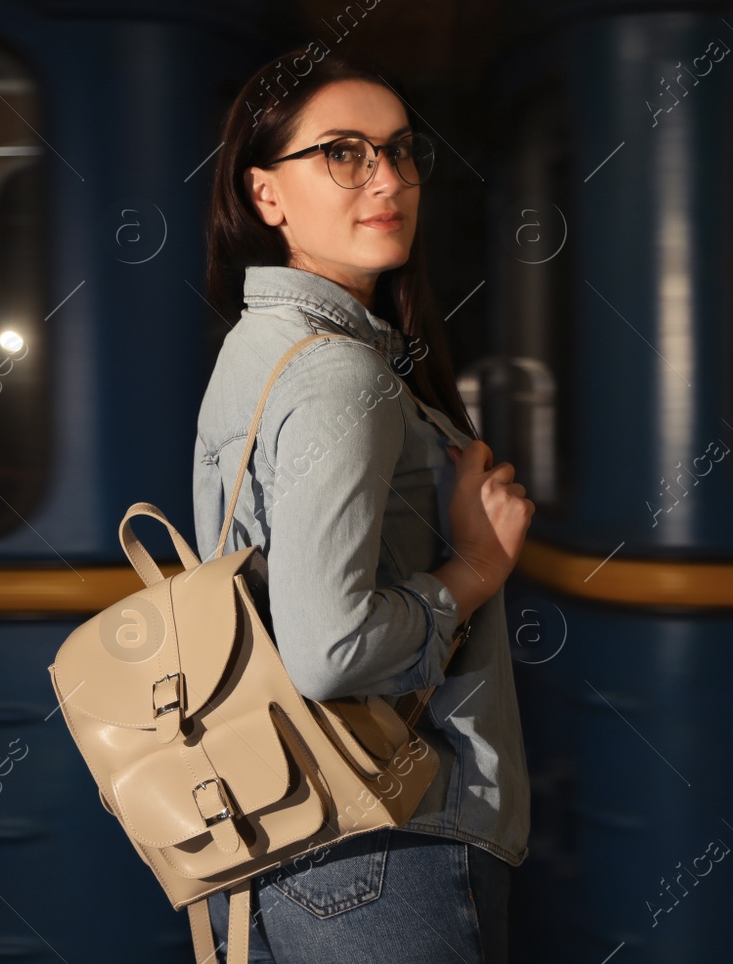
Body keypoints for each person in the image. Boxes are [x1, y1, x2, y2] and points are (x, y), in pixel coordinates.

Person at [193, 48, 534, 963]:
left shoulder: (256, 349)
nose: (386, 177)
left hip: (290, 840)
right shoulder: (338, 376)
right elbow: (328, 647)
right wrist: (474, 568)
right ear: (267, 195)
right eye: (343, 153)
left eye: (399, 150)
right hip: (391, 834)